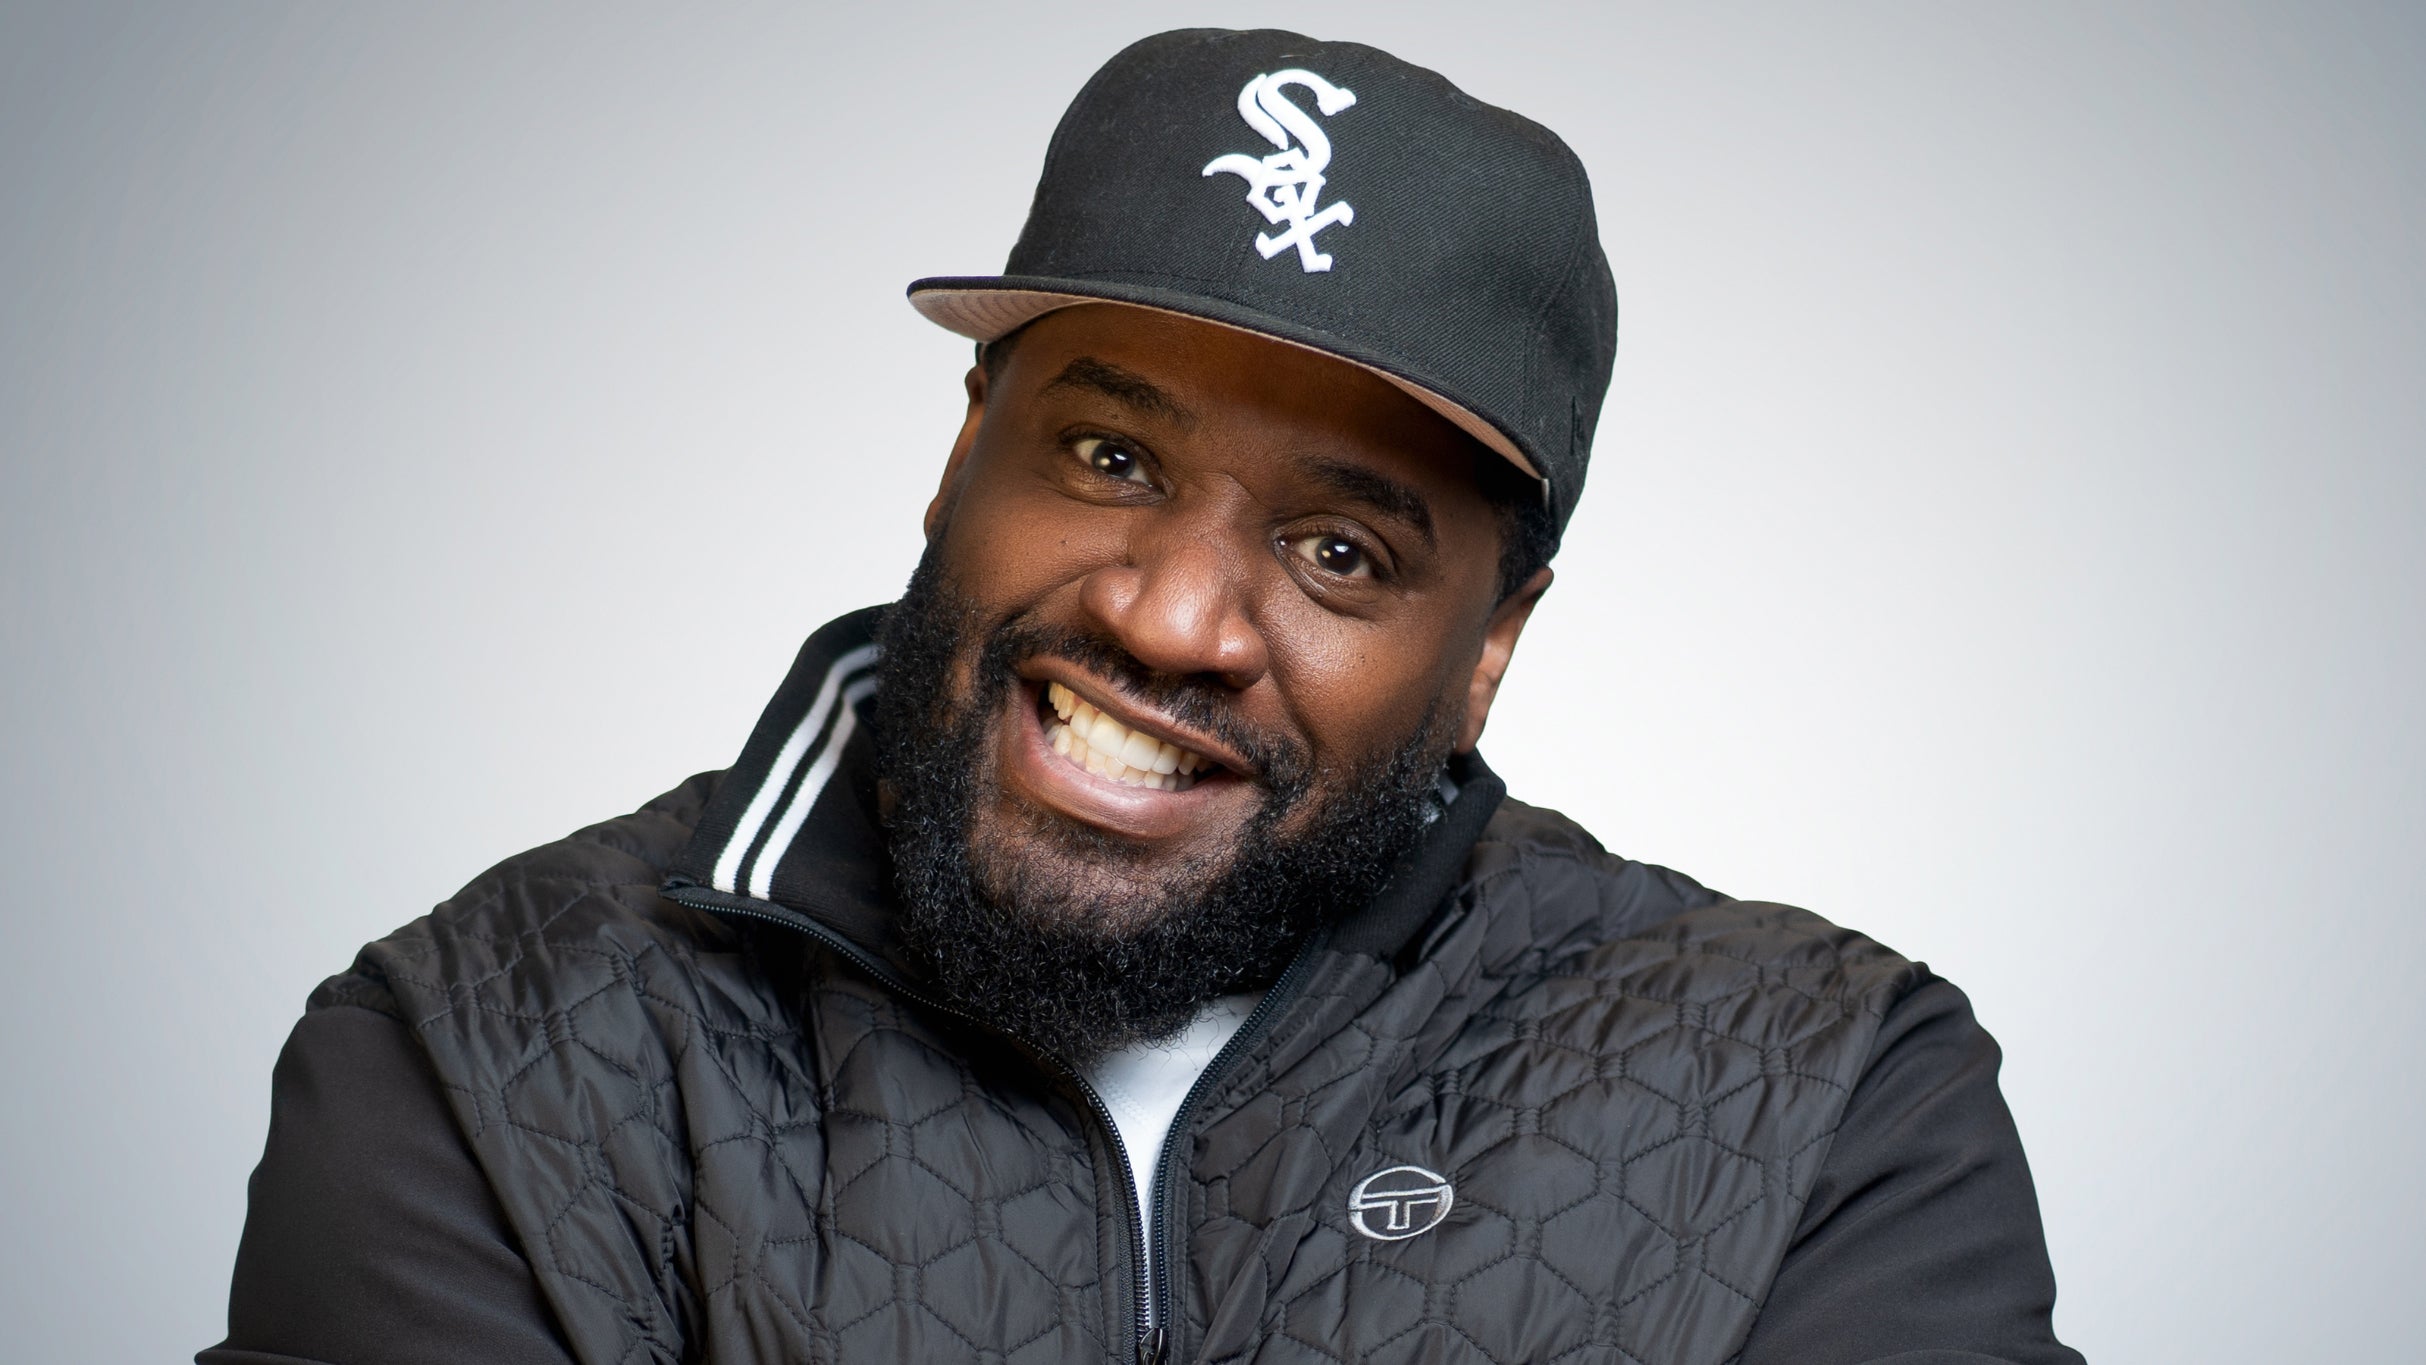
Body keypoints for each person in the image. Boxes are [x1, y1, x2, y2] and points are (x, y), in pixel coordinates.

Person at [204, 28, 2079, 1365]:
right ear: (965, 450)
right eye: (1109, 455)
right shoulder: (500, 1047)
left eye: (1340, 551)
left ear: (1491, 643)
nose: (1174, 615)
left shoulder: (1812, 1097)